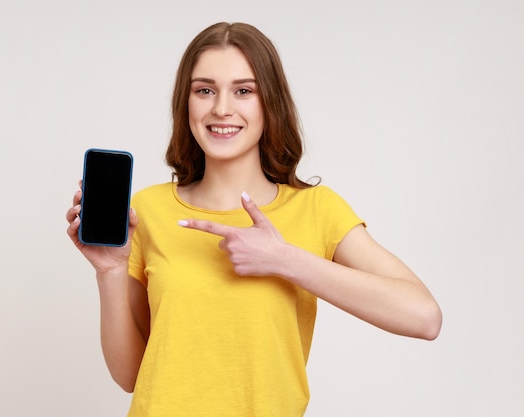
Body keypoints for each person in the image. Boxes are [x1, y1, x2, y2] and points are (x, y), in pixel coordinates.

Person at [66, 22, 442, 417]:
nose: (221, 108)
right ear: (186, 102)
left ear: (270, 104)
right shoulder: (149, 211)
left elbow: (424, 317)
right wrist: (109, 271)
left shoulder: (316, 210)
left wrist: (283, 259)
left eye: (243, 90)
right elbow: (131, 376)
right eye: (204, 90)